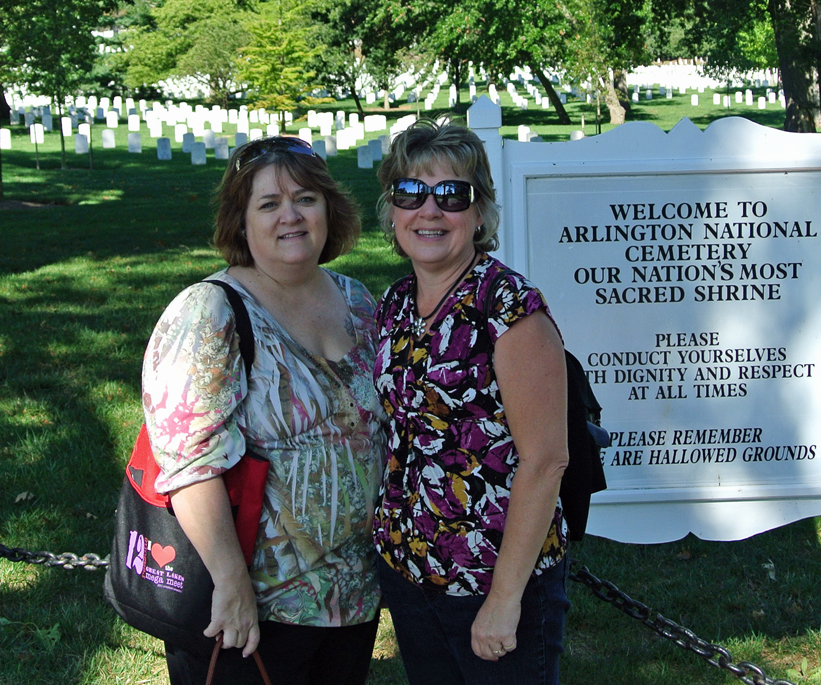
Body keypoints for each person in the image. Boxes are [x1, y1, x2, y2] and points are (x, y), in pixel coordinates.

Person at [141, 136, 386, 685]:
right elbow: (188, 463)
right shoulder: (211, 312)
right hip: (254, 609)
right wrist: (231, 585)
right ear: (241, 221)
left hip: (352, 597)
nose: (291, 216)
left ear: (329, 208)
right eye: (269, 204)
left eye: (305, 198)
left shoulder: (359, 300)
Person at [372, 118, 571, 685]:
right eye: (411, 192)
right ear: (393, 210)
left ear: (479, 212)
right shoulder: (396, 305)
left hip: (492, 582)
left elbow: (545, 459)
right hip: (411, 576)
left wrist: (504, 602)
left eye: (452, 195)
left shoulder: (509, 309)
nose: (429, 211)